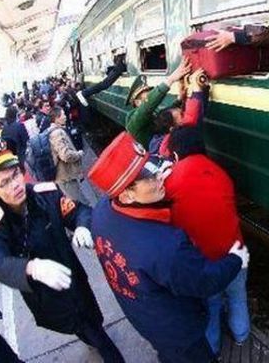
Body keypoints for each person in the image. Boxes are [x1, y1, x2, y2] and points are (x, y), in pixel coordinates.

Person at [88, 132, 248, 363]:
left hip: (144, 317)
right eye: (149, 177)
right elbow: (205, 281)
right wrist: (235, 258)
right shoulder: (165, 246)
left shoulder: (103, 212)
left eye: (153, 169)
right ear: (127, 193)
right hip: (180, 333)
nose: (160, 178)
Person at [0, 138, 125, 363]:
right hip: (46, 296)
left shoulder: (45, 194)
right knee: (82, 326)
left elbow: (79, 211)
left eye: (16, 174)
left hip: (73, 280)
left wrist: (82, 226)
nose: (15, 185)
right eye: (5, 182)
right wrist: (31, 268)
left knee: (92, 324)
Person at [165, 127, 250, 355]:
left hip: (205, 262)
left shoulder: (169, 183)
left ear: (174, 154)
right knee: (238, 297)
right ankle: (241, 336)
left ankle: (212, 350)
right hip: (237, 252)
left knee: (210, 307)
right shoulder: (220, 172)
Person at [125, 57, 192, 148]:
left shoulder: (150, 116)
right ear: (137, 102)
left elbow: (163, 116)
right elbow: (147, 107)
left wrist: (179, 99)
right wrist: (171, 79)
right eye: (147, 96)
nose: (151, 97)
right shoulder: (134, 123)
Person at [48, 106, 89, 205]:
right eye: (63, 115)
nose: (65, 116)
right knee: (81, 204)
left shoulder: (53, 131)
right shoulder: (57, 133)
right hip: (65, 178)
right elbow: (65, 155)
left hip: (65, 176)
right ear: (56, 118)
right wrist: (78, 154)